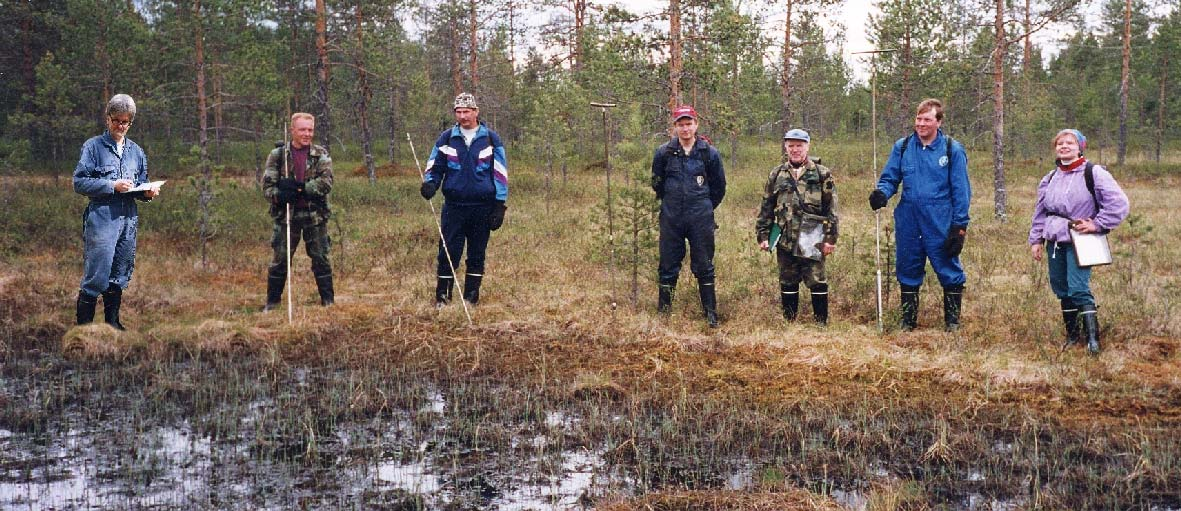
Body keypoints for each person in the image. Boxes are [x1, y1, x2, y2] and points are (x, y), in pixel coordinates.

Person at [869, 98, 971, 331]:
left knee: (948, 267)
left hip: (940, 220)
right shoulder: (903, 146)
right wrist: (882, 194)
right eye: (918, 119)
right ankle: (908, 322)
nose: (921, 124)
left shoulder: (951, 149)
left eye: (927, 119)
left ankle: (952, 323)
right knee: (907, 267)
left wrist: (959, 227)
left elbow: (961, 190)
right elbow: (890, 178)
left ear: (938, 121)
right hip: (908, 219)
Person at [1028, 129, 1129, 354]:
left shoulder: (1095, 173)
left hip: (1081, 241)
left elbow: (1119, 204)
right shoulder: (1050, 178)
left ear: (1080, 146)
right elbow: (1040, 212)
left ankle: (1093, 340)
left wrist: (1097, 224)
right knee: (1062, 289)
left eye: (1069, 143)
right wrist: (1036, 240)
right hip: (1055, 241)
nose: (1064, 147)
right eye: (1060, 143)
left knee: (1078, 288)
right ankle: (1073, 336)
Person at [73, 94, 160, 330]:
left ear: (131, 122)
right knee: (96, 274)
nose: (120, 126)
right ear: (107, 119)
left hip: (128, 220)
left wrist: (147, 193)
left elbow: (141, 182)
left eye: (125, 122)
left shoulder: (136, 152)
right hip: (102, 219)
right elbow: (79, 182)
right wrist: (111, 185)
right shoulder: (93, 147)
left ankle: (113, 325)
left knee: (120, 272)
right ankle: (84, 331)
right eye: (116, 121)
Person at [420, 93, 509, 306]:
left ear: (476, 112)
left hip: (482, 207)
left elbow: (500, 173)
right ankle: (443, 298)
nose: (463, 116)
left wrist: (499, 204)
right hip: (454, 207)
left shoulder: (491, 139)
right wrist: (431, 183)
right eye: (458, 112)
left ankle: (471, 299)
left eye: (467, 111)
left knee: (477, 254)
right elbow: (435, 166)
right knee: (448, 253)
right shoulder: (447, 138)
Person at [651, 105, 727, 327]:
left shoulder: (708, 153)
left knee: (704, 265)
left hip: (700, 217)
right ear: (675, 127)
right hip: (671, 217)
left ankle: (710, 314)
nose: (685, 129)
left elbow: (719, 187)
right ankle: (664, 312)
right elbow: (657, 184)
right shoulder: (664, 152)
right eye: (681, 124)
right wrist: (672, 204)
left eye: (689, 124)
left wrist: (704, 207)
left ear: (696, 125)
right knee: (668, 264)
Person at [755, 129, 838, 324]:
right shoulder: (776, 174)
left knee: (816, 279)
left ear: (807, 146)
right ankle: (789, 323)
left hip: (813, 236)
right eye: (791, 145)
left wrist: (830, 239)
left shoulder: (821, 173)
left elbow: (832, 209)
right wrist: (763, 235)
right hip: (785, 236)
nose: (795, 150)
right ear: (785, 147)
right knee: (787, 279)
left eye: (799, 145)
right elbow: (766, 206)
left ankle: (820, 323)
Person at [262, 112, 335, 310]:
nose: (307, 134)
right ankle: (272, 303)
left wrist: (301, 188)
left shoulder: (321, 154)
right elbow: (267, 188)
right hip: (286, 216)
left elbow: (326, 183)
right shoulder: (278, 156)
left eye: (310, 130)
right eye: (302, 129)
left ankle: (328, 302)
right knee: (280, 260)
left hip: (315, 216)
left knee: (321, 258)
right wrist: (281, 195)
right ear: (292, 130)